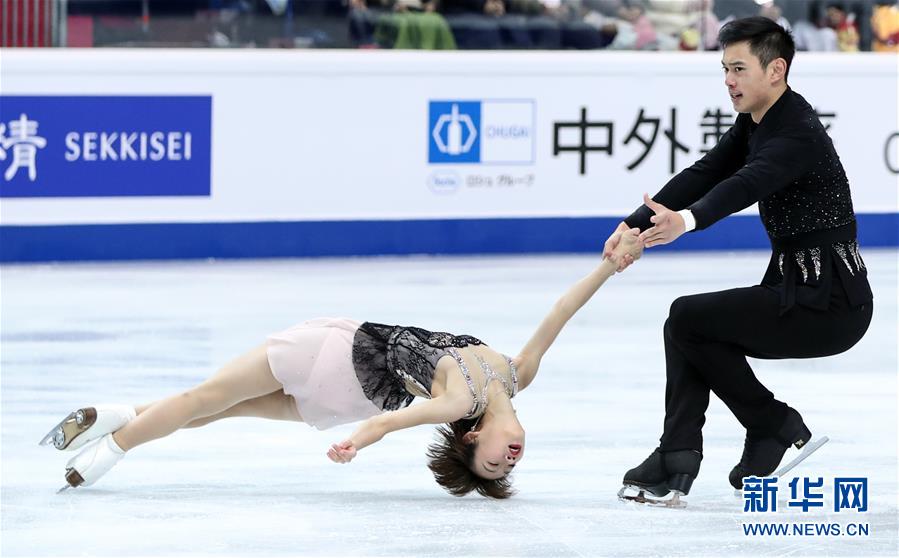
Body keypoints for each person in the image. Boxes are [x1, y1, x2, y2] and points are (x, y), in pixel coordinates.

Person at [42, 231, 644, 497]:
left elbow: (389, 423)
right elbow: (561, 312)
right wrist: (609, 266)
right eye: (507, 464)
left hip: (340, 362)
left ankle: (110, 448)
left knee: (205, 399)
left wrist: (356, 444)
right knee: (217, 408)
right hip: (355, 390)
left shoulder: (460, 401)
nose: (507, 459)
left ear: (471, 437)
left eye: (491, 465)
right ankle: (118, 415)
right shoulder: (517, 374)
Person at [603, 16, 873, 505]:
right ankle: (693, 450)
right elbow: (707, 172)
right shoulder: (757, 120)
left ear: (776, 70)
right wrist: (632, 225)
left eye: (739, 69)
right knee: (689, 327)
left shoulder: (797, 132)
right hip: (796, 290)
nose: (729, 80)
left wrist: (686, 222)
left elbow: (746, 184)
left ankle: (762, 425)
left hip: (831, 303)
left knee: (688, 319)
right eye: (725, 69)